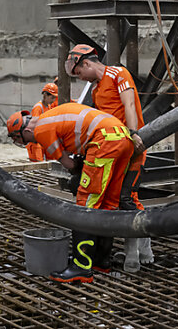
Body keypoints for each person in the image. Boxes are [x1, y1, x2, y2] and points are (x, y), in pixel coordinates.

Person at [6, 102, 133, 284]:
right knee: (108, 204)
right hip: (123, 137)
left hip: (103, 143)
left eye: (18, 139)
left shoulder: (41, 130)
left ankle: (81, 266)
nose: (25, 142)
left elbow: (69, 164)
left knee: (85, 204)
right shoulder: (50, 117)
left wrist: (79, 172)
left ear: (24, 131)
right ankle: (101, 260)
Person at [65, 44, 152, 270]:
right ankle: (137, 247)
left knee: (127, 197)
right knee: (114, 199)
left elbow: (129, 104)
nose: (81, 78)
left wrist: (133, 134)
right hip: (113, 150)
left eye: (79, 73)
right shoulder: (95, 90)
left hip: (131, 148)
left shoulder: (118, 74)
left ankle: (139, 247)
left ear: (86, 63)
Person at [26, 82, 59, 161]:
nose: (54, 100)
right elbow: (34, 127)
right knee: (38, 164)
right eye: (52, 97)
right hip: (35, 142)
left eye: (55, 98)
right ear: (45, 95)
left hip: (43, 140)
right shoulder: (38, 107)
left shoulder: (48, 106)